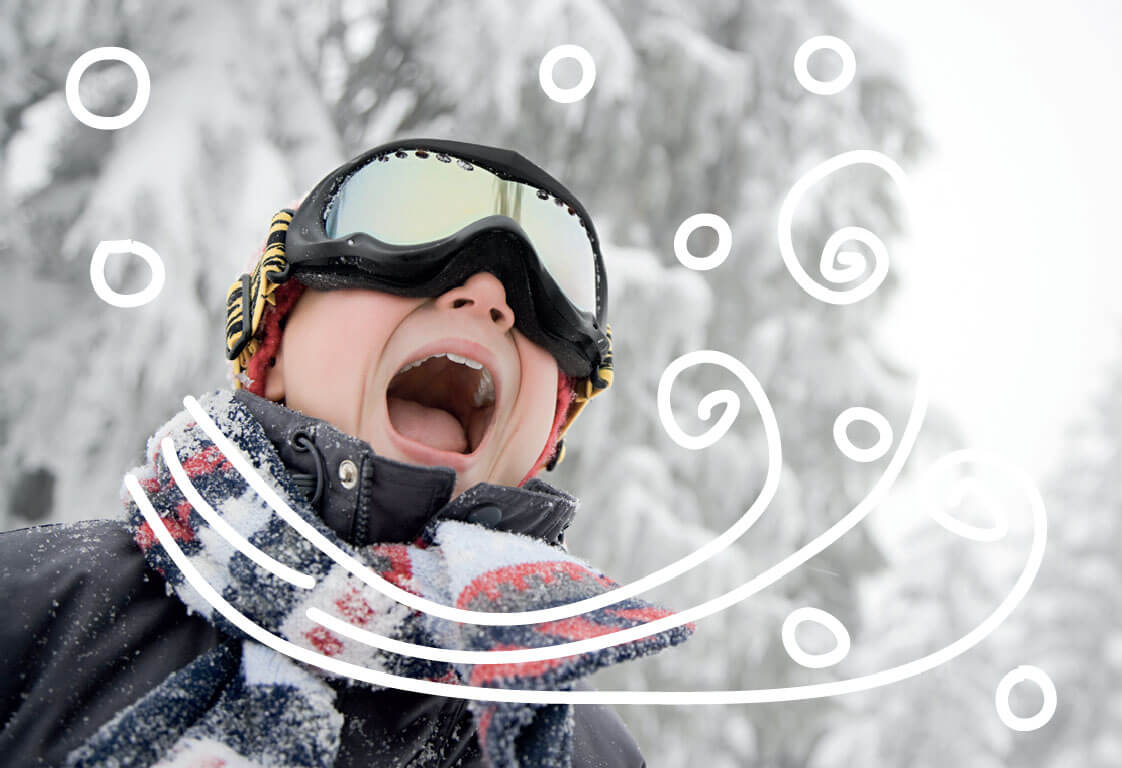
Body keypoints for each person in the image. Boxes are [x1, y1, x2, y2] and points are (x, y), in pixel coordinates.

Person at [0, 139, 693, 768]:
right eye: (402, 226)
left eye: (545, 283)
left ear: (546, 437)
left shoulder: (589, 756)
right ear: (271, 350)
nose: (488, 296)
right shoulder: (35, 609)